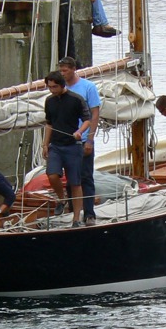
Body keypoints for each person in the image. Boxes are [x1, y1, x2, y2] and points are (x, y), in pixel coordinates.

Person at [42, 70, 91, 227]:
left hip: (72, 146)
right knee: (52, 174)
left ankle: (76, 218)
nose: (52, 90)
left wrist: (79, 132)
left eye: (55, 87)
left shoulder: (76, 99)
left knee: (75, 183)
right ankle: (62, 199)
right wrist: (45, 144)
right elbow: (49, 123)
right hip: (55, 145)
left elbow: (87, 120)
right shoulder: (49, 101)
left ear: (62, 85)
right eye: (49, 87)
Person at [58, 56, 101, 226]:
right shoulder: (60, 89)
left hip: (82, 139)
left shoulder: (88, 87)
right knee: (70, 178)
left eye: (65, 70)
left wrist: (90, 139)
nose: (63, 73)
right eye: (60, 70)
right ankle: (73, 211)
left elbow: (94, 113)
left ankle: (89, 213)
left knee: (85, 176)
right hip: (65, 140)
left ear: (73, 69)